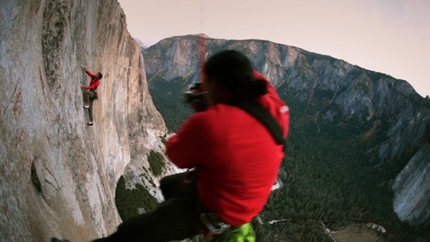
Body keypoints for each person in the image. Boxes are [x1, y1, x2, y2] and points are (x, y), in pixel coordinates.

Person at [53, 50, 289, 242]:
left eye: (208, 82)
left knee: (132, 233)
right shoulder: (268, 98)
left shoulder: (215, 123)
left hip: (217, 211)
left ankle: (173, 227)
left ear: (219, 86)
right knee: (168, 184)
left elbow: (176, 153)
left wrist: (202, 108)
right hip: (246, 197)